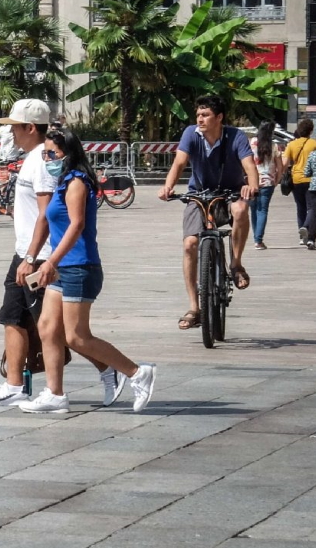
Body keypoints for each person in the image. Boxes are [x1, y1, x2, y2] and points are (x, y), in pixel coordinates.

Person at [0, 100, 123, 409]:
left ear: (30, 128)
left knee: (61, 330)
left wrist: (34, 258)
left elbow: (47, 214)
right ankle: (15, 384)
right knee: (13, 316)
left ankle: (109, 369)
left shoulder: (42, 161)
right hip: (27, 251)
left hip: (42, 255)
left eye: (15, 126)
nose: (11, 132)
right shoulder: (34, 157)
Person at [19, 129, 156, 414]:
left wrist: (50, 262)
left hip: (79, 267)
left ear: (68, 153)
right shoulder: (62, 181)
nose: (47, 158)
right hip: (63, 268)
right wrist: (35, 258)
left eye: (52, 154)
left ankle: (136, 372)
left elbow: (76, 225)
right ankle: (55, 394)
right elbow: (48, 222)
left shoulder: (77, 182)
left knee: (77, 336)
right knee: (47, 327)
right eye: (44, 153)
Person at [158, 95, 257, 331]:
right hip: (199, 194)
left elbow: (249, 166)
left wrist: (251, 185)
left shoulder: (235, 136)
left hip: (229, 193)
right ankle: (195, 307)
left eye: (206, 115)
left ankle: (235, 264)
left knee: (241, 208)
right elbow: (179, 163)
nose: (200, 119)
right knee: (189, 244)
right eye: (198, 115)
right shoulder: (191, 134)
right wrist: (168, 186)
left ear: (219, 117)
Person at [249, 121, 284, 250]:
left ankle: (256, 238)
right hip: (268, 182)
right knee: (262, 210)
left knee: (253, 209)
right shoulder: (274, 146)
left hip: (252, 181)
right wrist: (277, 180)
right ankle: (258, 240)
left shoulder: (252, 143)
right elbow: (280, 167)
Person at [285, 119, 316, 245]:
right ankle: (306, 227)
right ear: (311, 130)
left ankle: (301, 237)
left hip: (296, 179)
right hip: (311, 179)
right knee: (312, 208)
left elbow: (285, 163)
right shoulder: (314, 144)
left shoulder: (291, 145)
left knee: (300, 207)